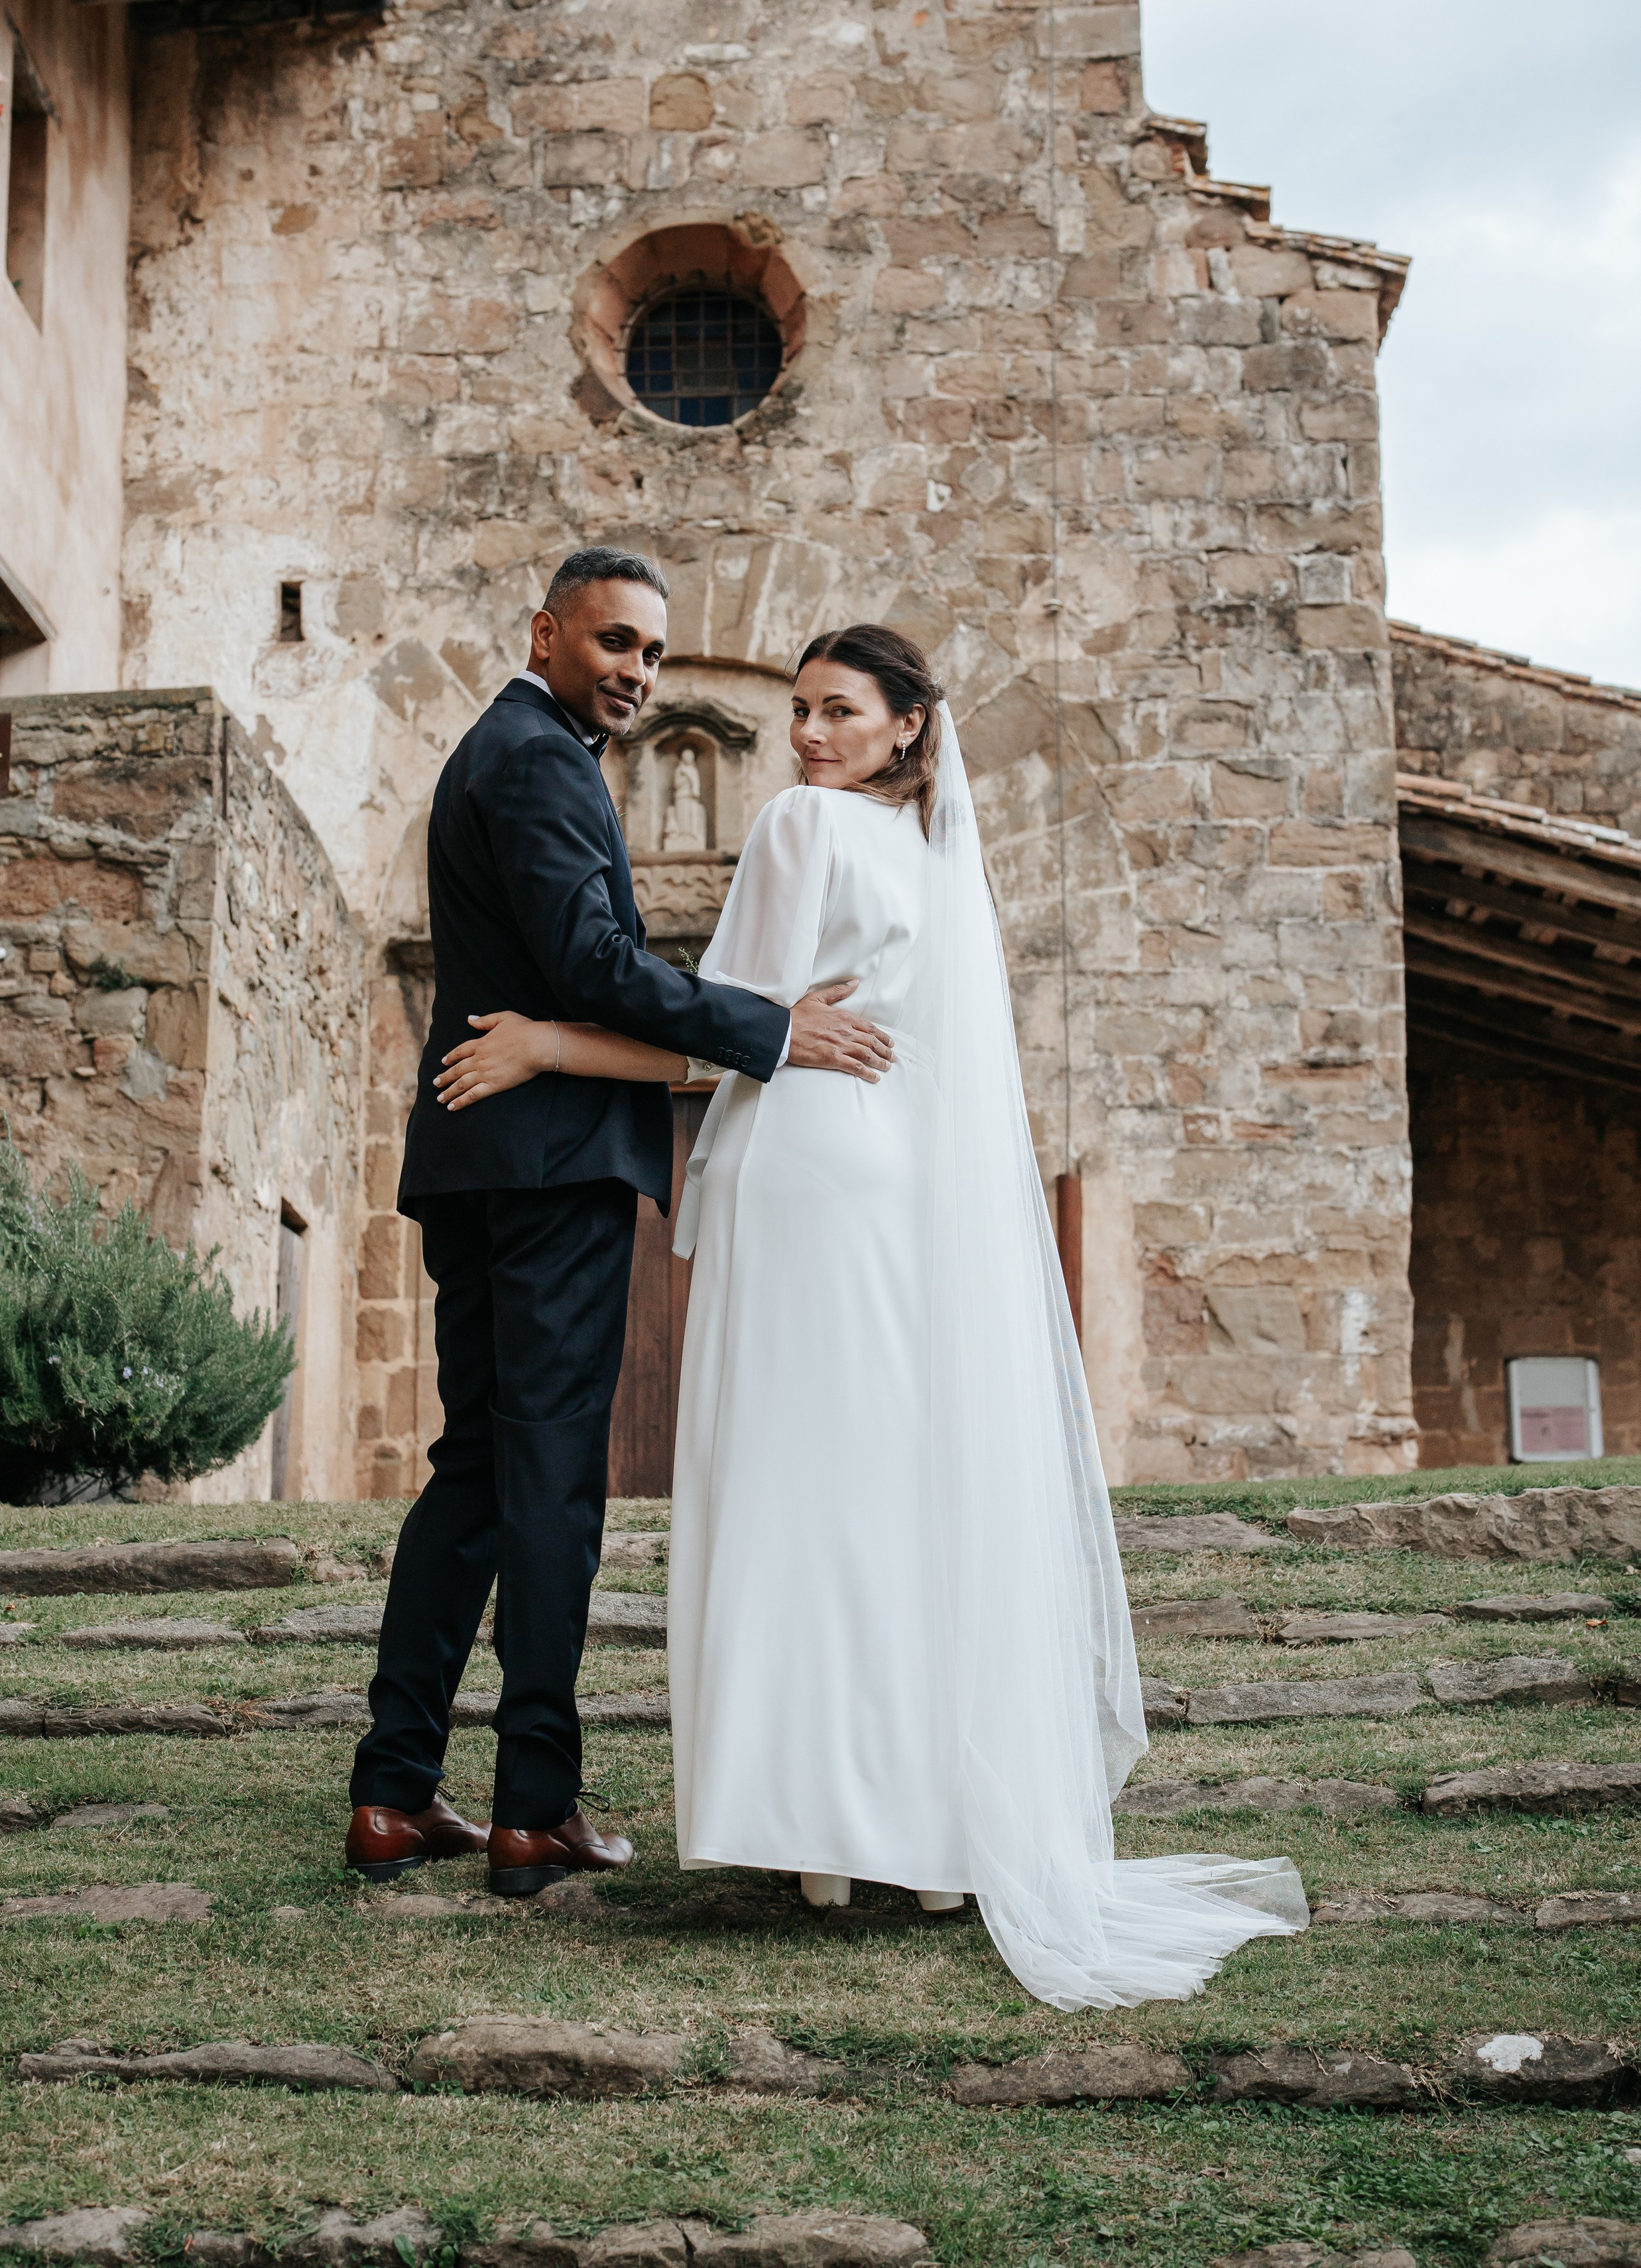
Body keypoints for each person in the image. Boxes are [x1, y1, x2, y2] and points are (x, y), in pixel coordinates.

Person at [441, 621, 1307, 2008]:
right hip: (900, 1191)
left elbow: (714, 1023)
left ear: (906, 726)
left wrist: (546, 1042)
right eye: (798, 712)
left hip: (804, 1182)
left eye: (837, 711)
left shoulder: (801, 829)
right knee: (898, 1491)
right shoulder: (935, 860)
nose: (804, 735)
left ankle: (824, 1832)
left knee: (799, 1493)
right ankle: (927, 1830)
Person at [343, 550, 892, 1896]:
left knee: (472, 1475)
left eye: (651, 650)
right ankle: (533, 1808)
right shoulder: (535, 759)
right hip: (541, 1175)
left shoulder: (514, 748)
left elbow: (556, 969)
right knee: (547, 1492)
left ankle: (393, 1794)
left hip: (484, 1161)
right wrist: (767, 1028)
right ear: (546, 631)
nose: (638, 671)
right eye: (614, 643)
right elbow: (591, 962)